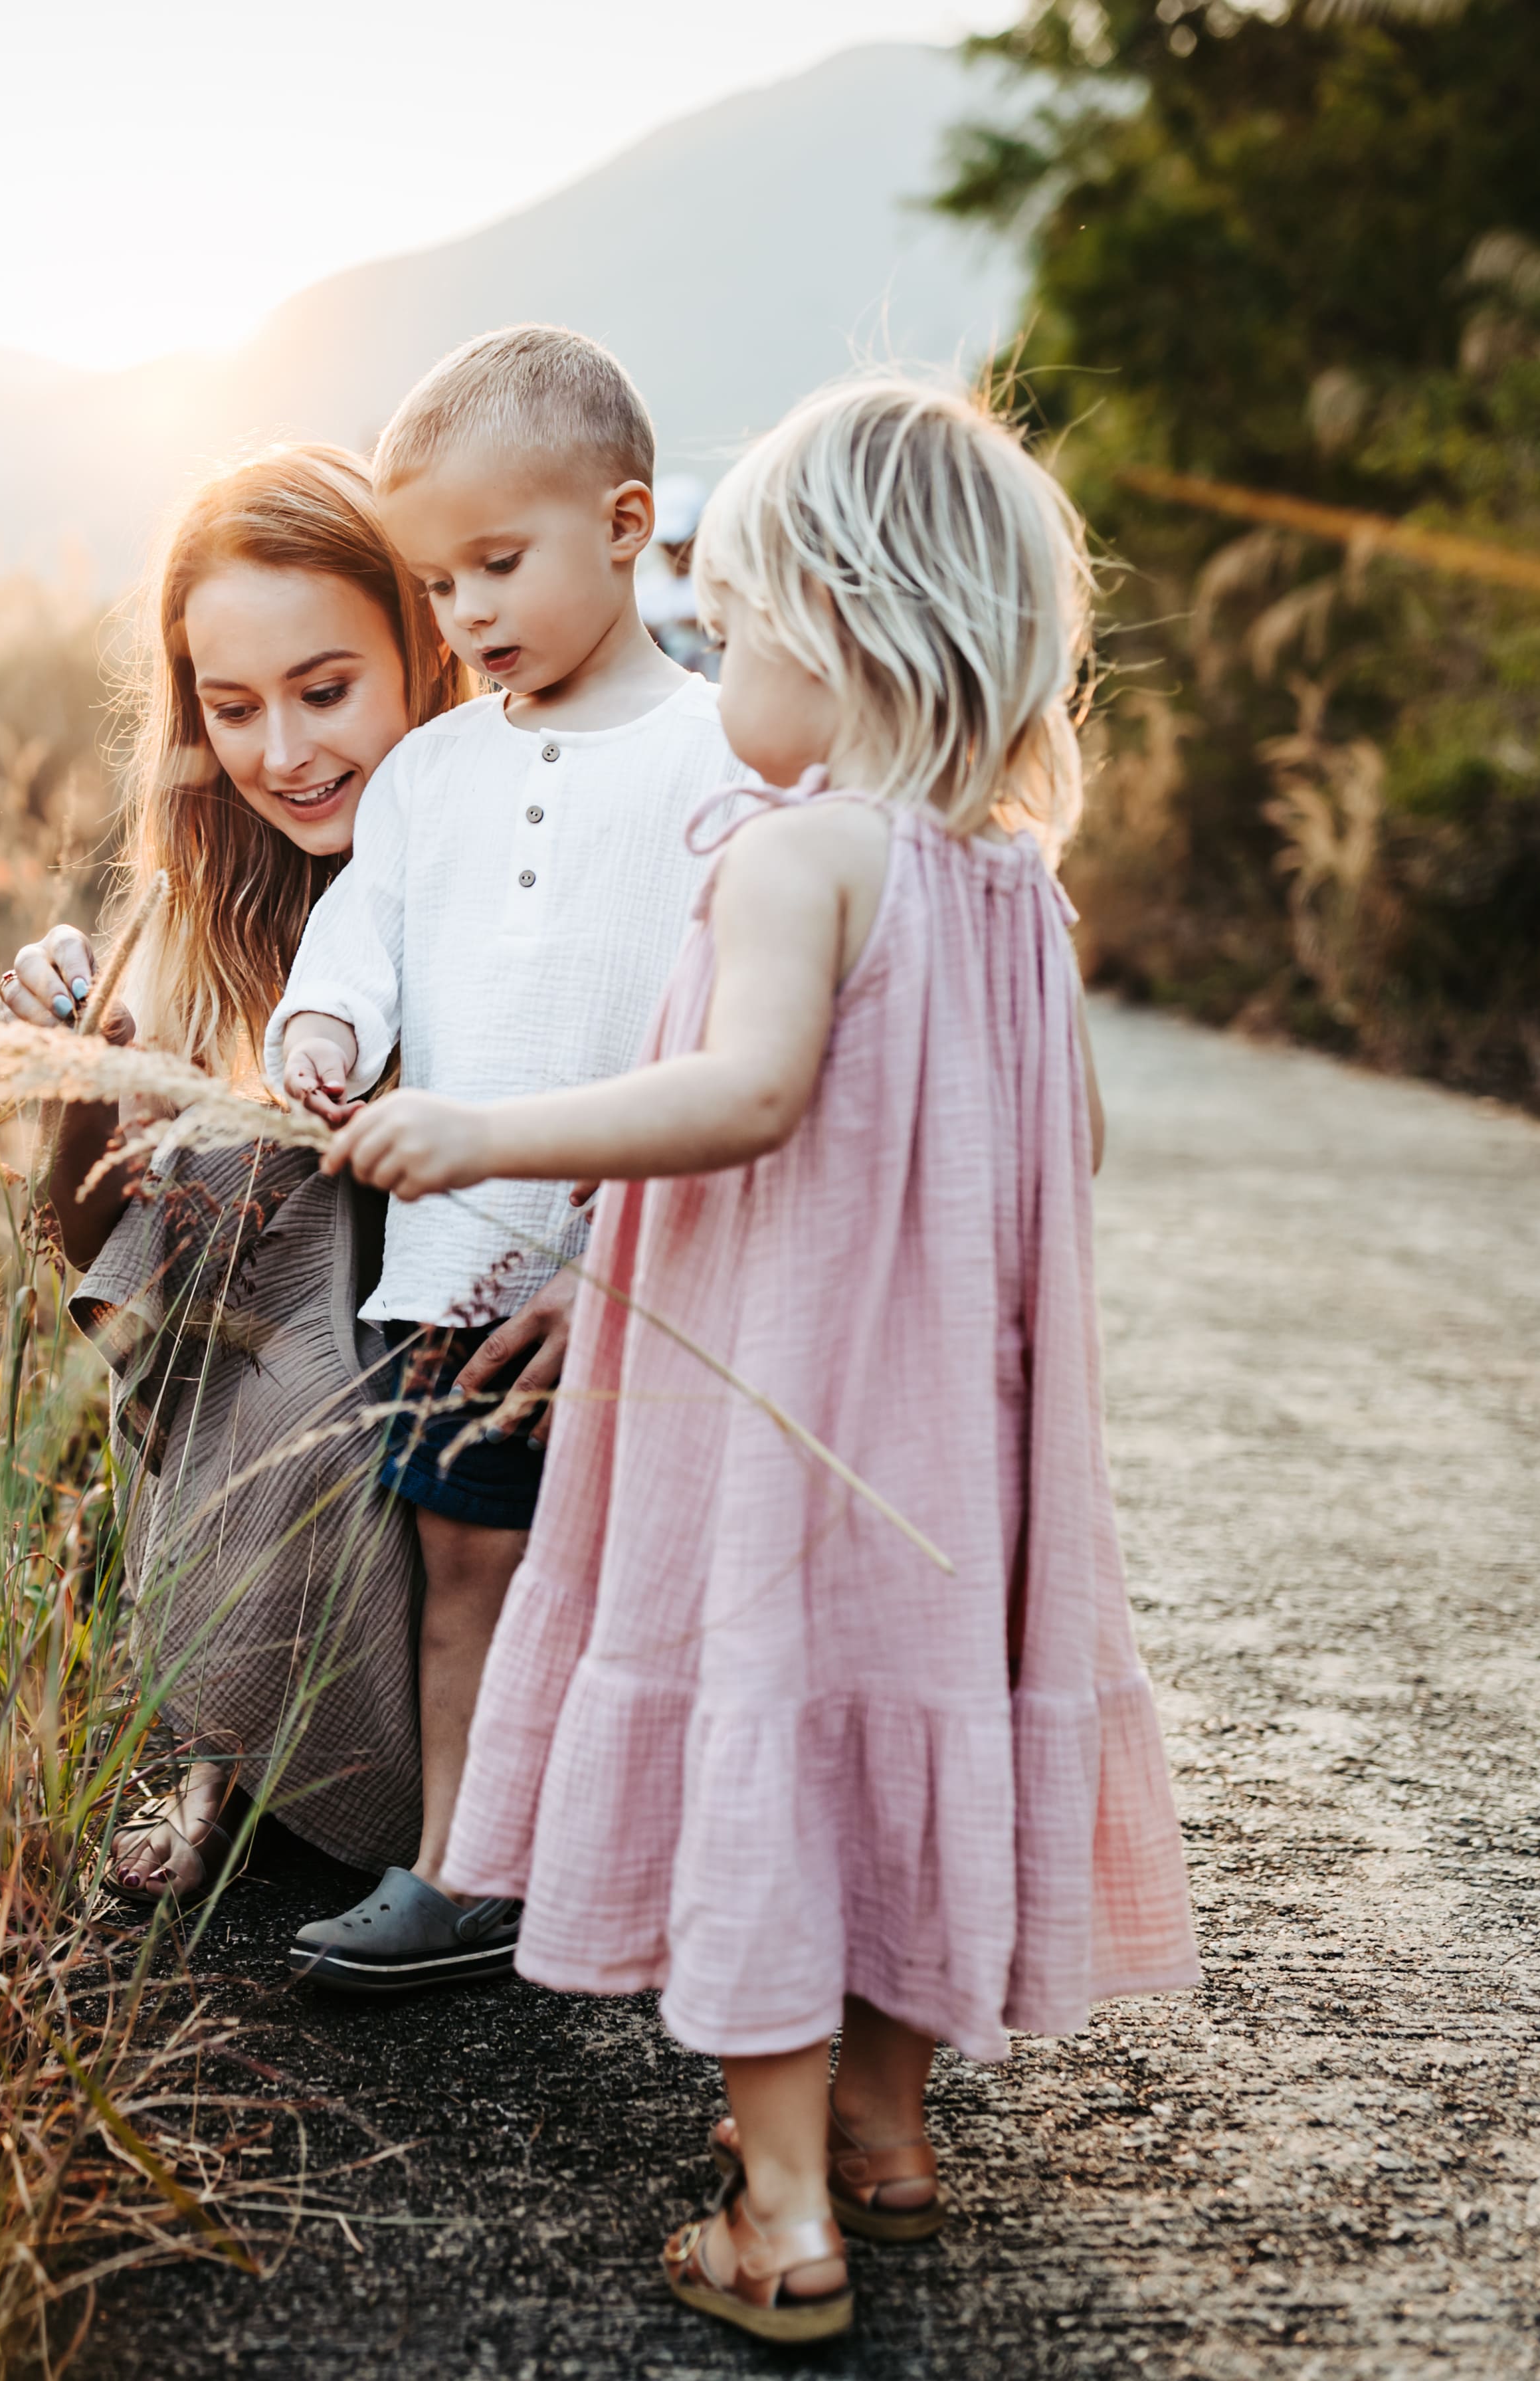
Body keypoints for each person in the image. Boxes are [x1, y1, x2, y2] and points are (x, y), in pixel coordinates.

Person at [328, 373, 1201, 2342]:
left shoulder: (802, 858)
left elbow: (740, 1096)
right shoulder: (1011, 892)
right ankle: (887, 2144)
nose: (716, 658)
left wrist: (487, 1134)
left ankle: (780, 2212)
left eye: (738, 623)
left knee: (779, 1748)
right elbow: (1061, 1153)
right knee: (903, 1732)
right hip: (949, 1442)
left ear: (845, 630)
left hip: (786, 1414)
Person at [264, 325, 743, 1993]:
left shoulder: (718, 756)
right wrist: (319, 1030)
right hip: (459, 1263)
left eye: (496, 562)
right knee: (462, 1567)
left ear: (624, 524)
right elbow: (357, 939)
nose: (461, 613)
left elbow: (738, 1032)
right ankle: (463, 1865)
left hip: (664, 1274)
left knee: (671, 1584)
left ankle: (694, 1874)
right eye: (434, 578)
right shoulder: (425, 774)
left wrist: (635, 1234)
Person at [0, 445, 468, 1901]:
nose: (284, 752)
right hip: (311, 1367)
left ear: (424, 647)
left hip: (516, 1326)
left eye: (326, 691)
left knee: (305, 1243)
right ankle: (228, 1756)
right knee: (237, 1218)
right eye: (233, 706)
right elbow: (88, 1249)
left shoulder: (512, 858)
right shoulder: (197, 901)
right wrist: (90, 1072)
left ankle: (448, 1790)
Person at [637, 472, 714, 673]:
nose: (673, 551)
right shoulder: (643, 594)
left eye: (680, 542)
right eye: (667, 544)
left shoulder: (724, 588)